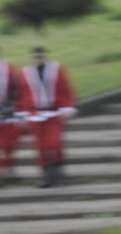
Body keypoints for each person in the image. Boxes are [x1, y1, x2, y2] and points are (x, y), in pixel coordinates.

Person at [19, 46, 76, 189]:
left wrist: (68, 108)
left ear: (45, 55)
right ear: (32, 57)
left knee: (55, 144)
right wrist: (22, 114)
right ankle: (46, 178)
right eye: (35, 56)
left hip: (54, 113)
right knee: (40, 148)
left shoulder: (56, 70)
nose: (38, 58)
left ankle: (60, 175)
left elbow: (66, 89)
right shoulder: (26, 72)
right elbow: (22, 95)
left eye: (40, 56)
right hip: (35, 115)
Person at [0, 48, 24, 187]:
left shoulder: (8, 68)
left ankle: (10, 171)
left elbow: (17, 91)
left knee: (9, 145)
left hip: (8, 113)